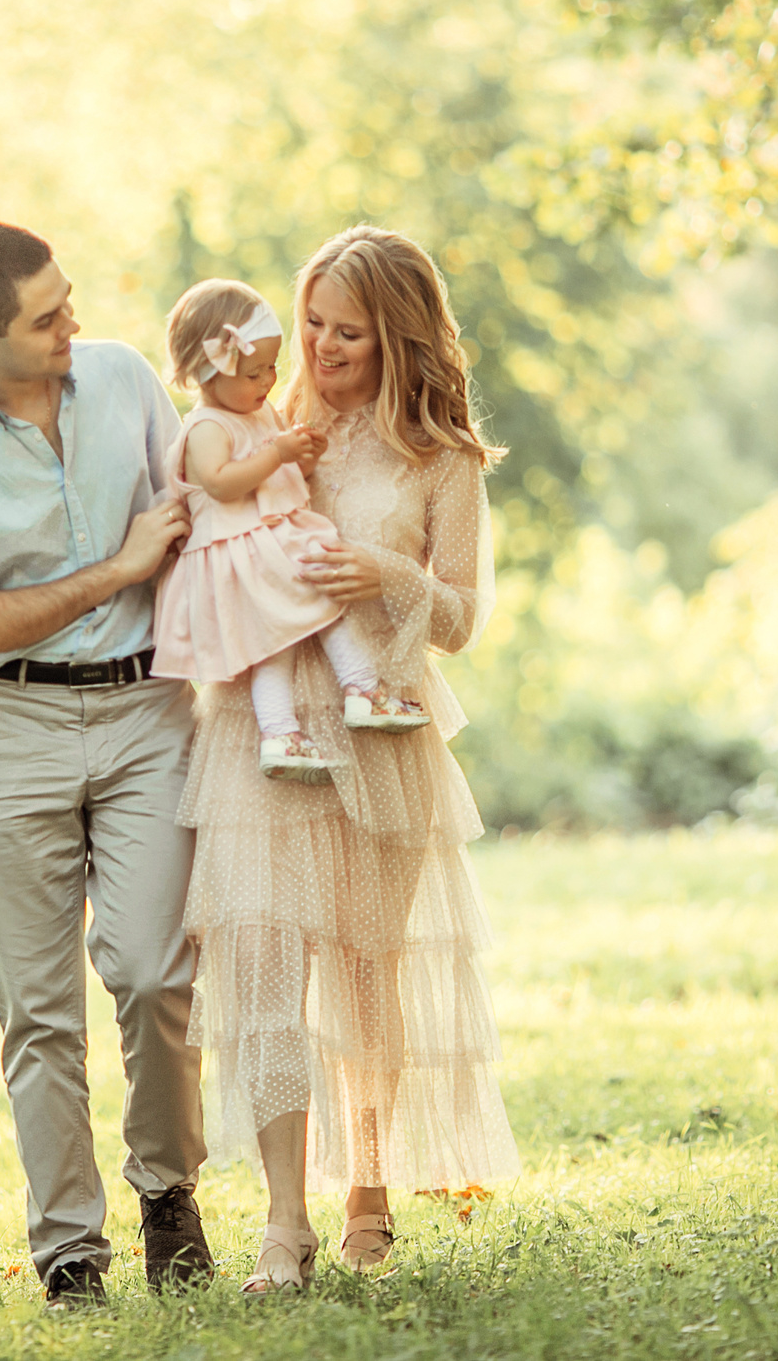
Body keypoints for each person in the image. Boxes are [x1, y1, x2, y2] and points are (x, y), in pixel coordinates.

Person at [176, 226, 522, 1294]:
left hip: (382, 725)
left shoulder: (442, 457)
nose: (322, 349)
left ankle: (365, 1183)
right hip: (260, 727)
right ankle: (284, 1224)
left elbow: (461, 614)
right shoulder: (263, 424)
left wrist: (381, 572)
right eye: (312, 323)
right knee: (267, 964)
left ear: (399, 337)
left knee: (369, 973)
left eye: (349, 333)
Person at [0, 222, 213, 1305]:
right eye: (46, 318)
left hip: (146, 708)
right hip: (10, 730)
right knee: (38, 1010)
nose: (74, 327)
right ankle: (71, 1250)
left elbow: (198, 513)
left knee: (157, 973)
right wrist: (113, 567)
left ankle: (168, 1193)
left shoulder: (120, 379)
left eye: (69, 302)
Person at [149, 278, 431, 785]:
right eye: (254, 372)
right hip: (241, 551)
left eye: (272, 368)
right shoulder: (208, 426)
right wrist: (275, 453)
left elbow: (271, 480)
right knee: (314, 608)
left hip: (267, 539)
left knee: (284, 636)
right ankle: (354, 694)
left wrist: (298, 460)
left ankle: (287, 732)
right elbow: (221, 484)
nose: (268, 380)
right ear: (210, 371)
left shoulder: (257, 412)